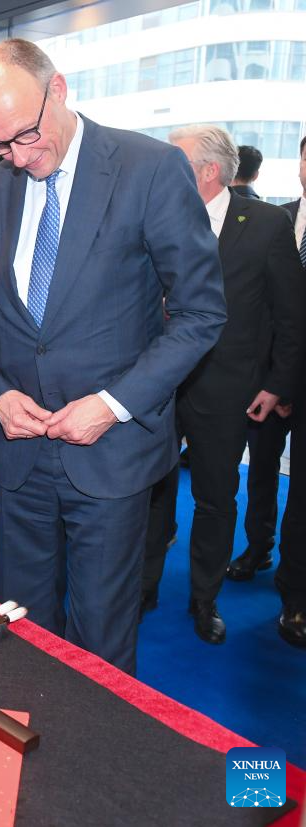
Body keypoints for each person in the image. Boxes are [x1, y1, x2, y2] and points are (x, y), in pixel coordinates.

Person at [0, 39, 226, 673]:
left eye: (25, 134)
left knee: (100, 644)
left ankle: (97, 771)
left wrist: (112, 405)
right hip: (19, 456)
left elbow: (200, 313)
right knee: (21, 634)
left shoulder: (149, 168)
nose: (19, 156)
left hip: (111, 455)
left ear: (59, 90)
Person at [142, 125, 304, 644]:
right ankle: (141, 586)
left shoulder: (264, 224)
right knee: (149, 491)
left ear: (209, 171)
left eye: (177, 161)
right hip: (156, 383)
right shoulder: (156, 214)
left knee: (215, 498)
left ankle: (203, 600)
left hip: (228, 386)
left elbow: (290, 314)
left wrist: (278, 383)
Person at [237, 135, 306, 647]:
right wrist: (277, 380)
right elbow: (268, 308)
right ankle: (257, 547)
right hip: (268, 378)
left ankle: (295, 593)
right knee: (261, 470)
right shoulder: (275, 219)